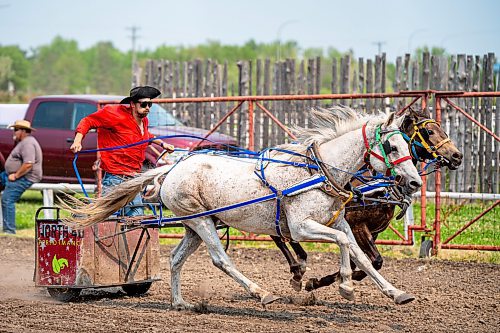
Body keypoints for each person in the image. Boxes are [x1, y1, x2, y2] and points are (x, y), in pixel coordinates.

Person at [70, 85, 174, 216]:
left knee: (137, 216)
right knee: (110, 219)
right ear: (132, 104)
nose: (147, 107)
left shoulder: (144, 121)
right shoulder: (114, 114)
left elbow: (145, 136)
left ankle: (89, 213)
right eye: (143, 104)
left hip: (134, 179)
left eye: (150, 104)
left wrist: (163, 144)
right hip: (116, 178)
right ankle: (83, 216)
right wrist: (78, 140)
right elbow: (88, 121)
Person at [1, 120, 43, 234]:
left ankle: (9, 230)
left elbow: (28, 164)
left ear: (23, 131)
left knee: (7, 199)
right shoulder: (24, 142)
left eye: (16, 130)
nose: (13, 132)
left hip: (25, 176)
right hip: (15, 175)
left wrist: (16, 175)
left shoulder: (28, 143)